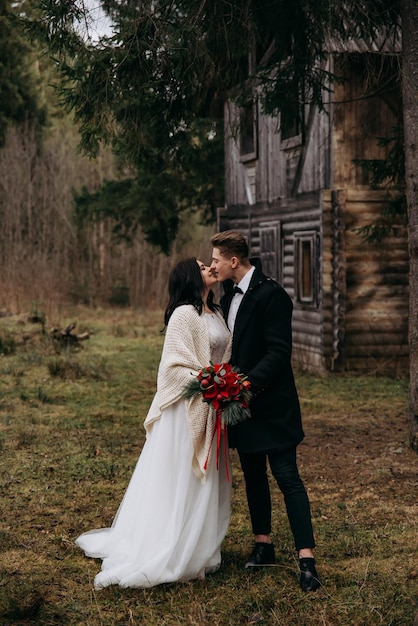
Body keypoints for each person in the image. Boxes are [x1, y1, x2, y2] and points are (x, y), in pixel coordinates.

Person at [76, 258, 232, 589]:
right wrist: (207, 380)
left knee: (206, 481)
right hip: (184, 409)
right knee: (179, 478)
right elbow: (172, 368)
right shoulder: (182, 315)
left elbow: (223, 356)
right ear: (191, 276)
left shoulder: (216, 313)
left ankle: (200, 548)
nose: (209, 267)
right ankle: (167, 545)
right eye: (203, 265)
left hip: (212, 406)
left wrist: (225, 382)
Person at [210, 231, 321, 592]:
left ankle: (307, 560)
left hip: (272, 403)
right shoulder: (226, 299)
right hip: (242, 408)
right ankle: (263, 545)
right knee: (253, 474)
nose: (212, 264)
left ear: (233, 261)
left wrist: (245, 384)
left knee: (287, 476)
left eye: (216, 259)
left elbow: (278, 352)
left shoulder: (273, 295)